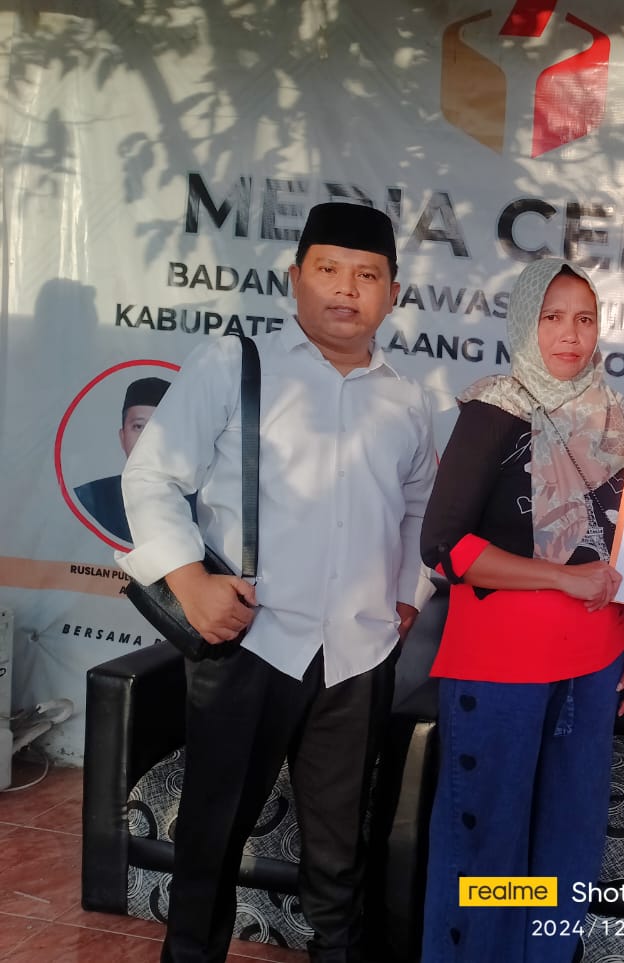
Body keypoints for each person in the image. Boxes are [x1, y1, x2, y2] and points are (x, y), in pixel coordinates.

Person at [119, 202, 437, 963]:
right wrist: (189, 579)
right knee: (211, 834)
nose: (347, 288)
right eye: (328, 269)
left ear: (392, 293)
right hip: (248, 641)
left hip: (357, 654)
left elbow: (420, 507)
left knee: (340, 846)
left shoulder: (407, 398)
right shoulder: (233, 364)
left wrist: (406, 594)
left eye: (367, 275)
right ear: (295, 278)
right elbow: (152, 475)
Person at [419, 257, 624, 963]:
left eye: (584, 318)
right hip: (502, 668)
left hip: (595, 664)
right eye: (551, 317)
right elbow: (445, 547)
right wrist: (560, 578)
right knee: (491, 843)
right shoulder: (494, 409)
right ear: (525, 323)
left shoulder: (615, 415)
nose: (570, 334)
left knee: (566, 839)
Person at [75, 376, 171, 542]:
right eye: (139, 427)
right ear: (122, 437)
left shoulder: (204, 504)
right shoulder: (91, 498)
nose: (148, 439)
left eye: (160, 427)